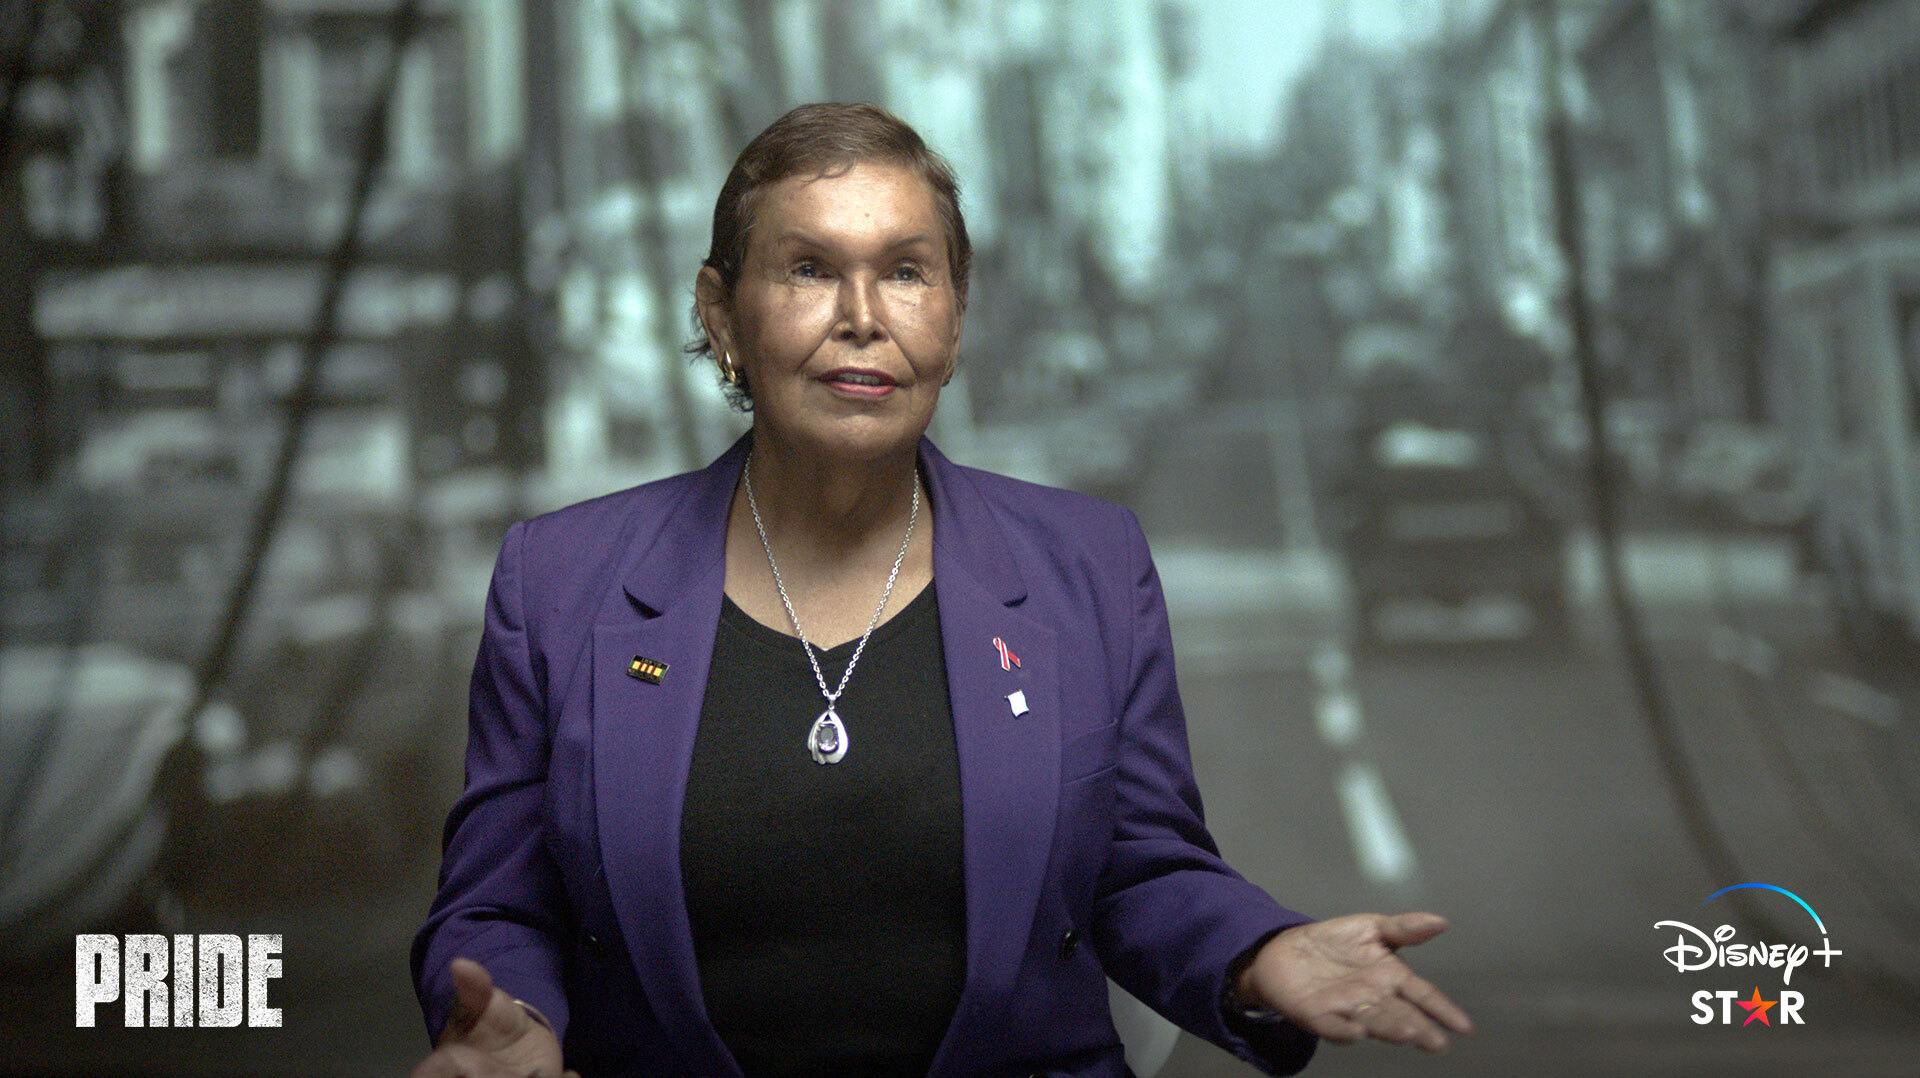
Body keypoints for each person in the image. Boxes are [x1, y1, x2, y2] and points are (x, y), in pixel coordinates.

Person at [409, 102, 1471, 1078]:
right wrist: (513, 1020)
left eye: (907, 272)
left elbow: (1140, 868)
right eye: (809, 269)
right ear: (721, 314)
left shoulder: (1088, 565)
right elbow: (499, 904)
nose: (863, 316)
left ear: (955, 320)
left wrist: (1255, 953)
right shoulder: (559, 582)